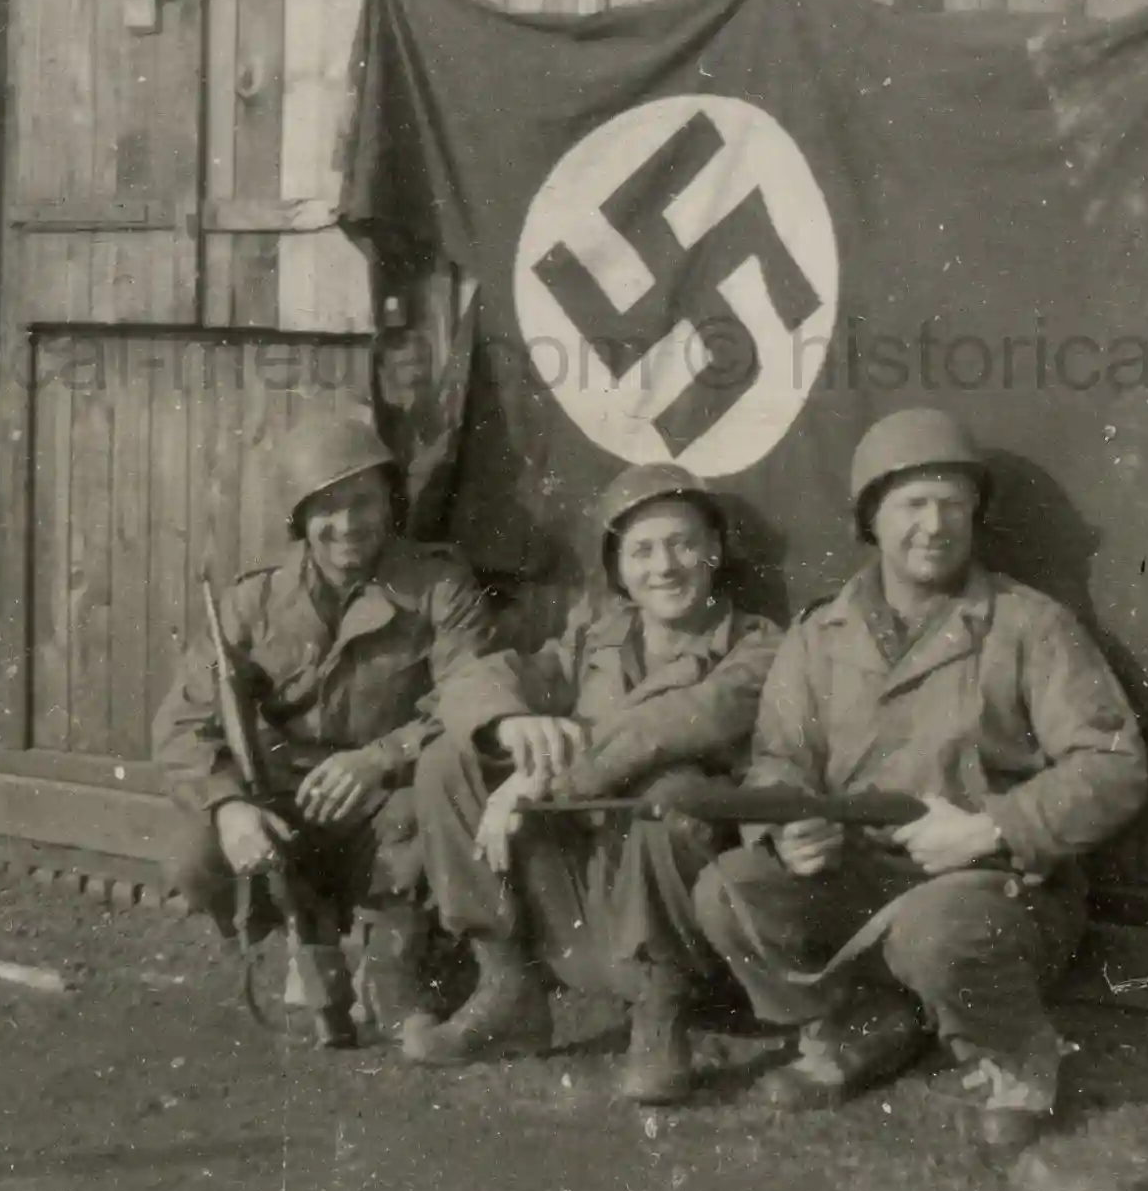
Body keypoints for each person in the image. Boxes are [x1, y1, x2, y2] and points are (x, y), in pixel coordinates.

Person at [691, 408, 1148, 1151]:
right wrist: (786, 826)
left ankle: (1016, 1060)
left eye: (951, 503)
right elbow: (777, 758)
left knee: (934, 929)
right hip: (857, 873)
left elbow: (1113, 764)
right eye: (911, 504)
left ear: (974, 514)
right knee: (729, 888)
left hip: (993, 887)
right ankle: (865, 1022)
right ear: (872, 517)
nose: (933, 524)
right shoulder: (819, 635)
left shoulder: (1028, 625)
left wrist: (991, 826)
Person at [400, 464, 783, 1104]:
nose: (664, 566)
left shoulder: (758, 646)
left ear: (715, 551)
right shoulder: (595, 638)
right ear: (619, 569)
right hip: (574, 890)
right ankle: (507, 989)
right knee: (449, 759)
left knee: (674, 790)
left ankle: (662, 1016)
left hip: (669, 903)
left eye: (683, 544)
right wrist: (509, 724)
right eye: (641, 550)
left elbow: (667, 727)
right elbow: (482, 678)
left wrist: (540, 781)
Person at [150, 409, 497, 1049]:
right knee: (195, 857)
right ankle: (301, 939)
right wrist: (230, 808)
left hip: (386, 793)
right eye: (326, 508)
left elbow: (470, 691)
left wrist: (379, 758)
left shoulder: (439, 585)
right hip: (285, 795)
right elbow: (181, 722)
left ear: (391, 503)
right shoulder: (253, 601)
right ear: (300, 518)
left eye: (363, 501)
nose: (347, 525)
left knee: (423, 819)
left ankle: (393, 957)